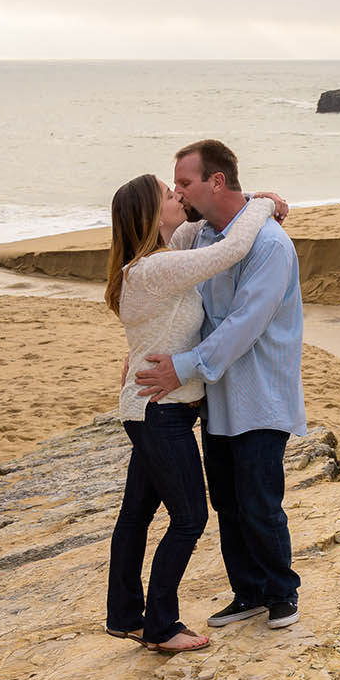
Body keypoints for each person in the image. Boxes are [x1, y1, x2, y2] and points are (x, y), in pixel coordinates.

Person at [136, 139, 307, 630]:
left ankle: (281, 593)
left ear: (215, 181)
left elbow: (244, 323)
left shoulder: (270, 244)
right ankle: (248, 592)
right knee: (227, 503)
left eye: (186, 183)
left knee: (259, 501)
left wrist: (182, 366)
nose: (181, 193)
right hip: (219, 399)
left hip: (260, 393)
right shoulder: (203, 238)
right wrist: (263, 199)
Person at [104, 173, 275, 652]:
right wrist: (262, 203)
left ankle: (124, 616)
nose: (177, 196)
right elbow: (230, 250)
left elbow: (193, 236)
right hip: (161, 412)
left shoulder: (153, 262)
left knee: (135, 515)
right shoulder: (156, 270)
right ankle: (160, 626)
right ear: (150, 214)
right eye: (167, 194)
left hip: (149, 409)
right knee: (188, 518)